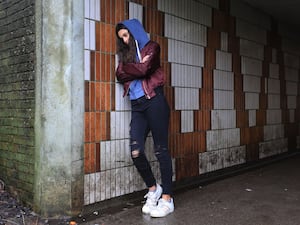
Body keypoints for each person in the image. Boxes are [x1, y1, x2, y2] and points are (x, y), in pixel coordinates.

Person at [115, 18, 174, 218]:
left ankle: (167, 199)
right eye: (121, 38)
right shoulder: (127, 55)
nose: (124, 40)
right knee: (135, 151)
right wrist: (133, 68)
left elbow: (144, 69)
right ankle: (153, 189)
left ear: (134, 31)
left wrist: (130, 69)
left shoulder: (152, 48)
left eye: (126, 35)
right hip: (137, 107)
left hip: (155, 101)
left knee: (161, 150)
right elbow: (119, 74)